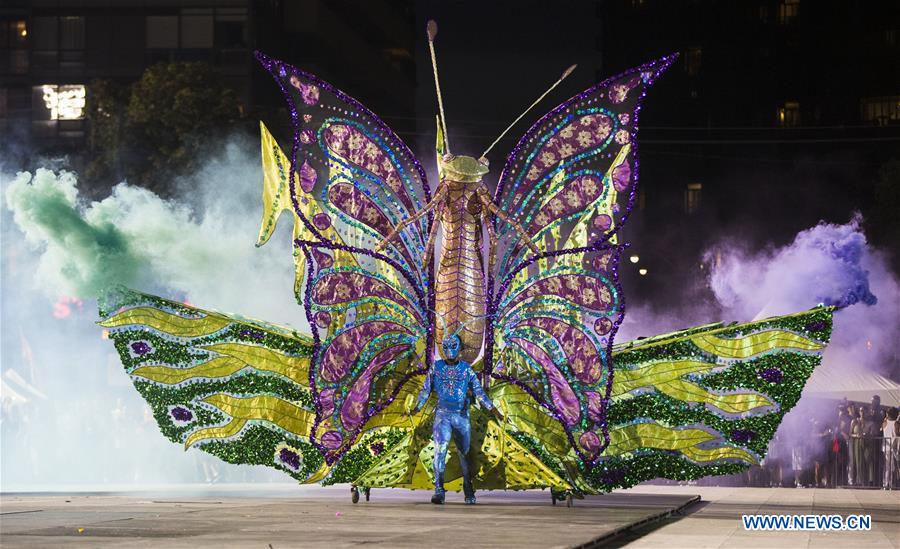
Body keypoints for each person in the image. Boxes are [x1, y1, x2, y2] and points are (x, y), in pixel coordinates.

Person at [407, 334, 503, 504]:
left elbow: (479, 391)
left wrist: (493, 409)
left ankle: (468, 486)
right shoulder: (436, 368)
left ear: (460, 348)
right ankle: (439, 489)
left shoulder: (466, 369)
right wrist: (417, 408)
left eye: (454, 345)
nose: (450, 349)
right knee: (440, 450)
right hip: (442, 415)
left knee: (464, 454)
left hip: (461, 415)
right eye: (446, 346)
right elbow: (425, 390)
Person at [883, 408, 898, 489]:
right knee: (892, 466)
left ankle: (886, 483)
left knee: (887, 466)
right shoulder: (895, 423)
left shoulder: (884, 422)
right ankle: (891, 484)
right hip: (893, 447)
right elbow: (897, 434)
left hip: (886, 446)